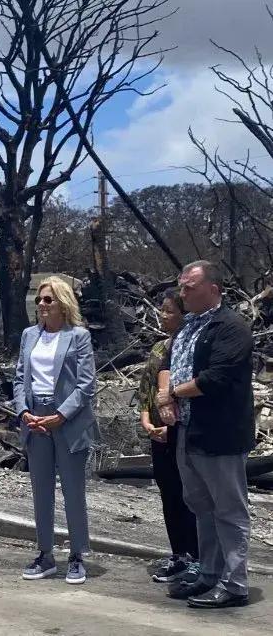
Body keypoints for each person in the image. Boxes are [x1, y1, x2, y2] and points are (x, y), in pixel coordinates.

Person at [158, 260, 254, 609]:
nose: (182, 292)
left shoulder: (230, 327)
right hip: (189, 432)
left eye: (189, 287)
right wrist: (165, 399)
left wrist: (173, 394)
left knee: (229, 509)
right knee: (202, 507)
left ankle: (235, 583)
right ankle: (209, 574)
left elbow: (216, 377)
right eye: (181, 286)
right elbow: (168, 364)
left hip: (219, 435)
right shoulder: (188, 327)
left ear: (213, 289)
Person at [14, 276, 97, 585]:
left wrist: (61, 415)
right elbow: (19, 377)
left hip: (67, 420)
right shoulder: (28, 336)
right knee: (41, 491)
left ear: (63, 303)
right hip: (35, 418)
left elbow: (86, 384)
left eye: (47, 300)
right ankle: (45, 554)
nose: (41, 306)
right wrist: (23, 411)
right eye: (38, 300)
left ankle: (76, 556)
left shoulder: (79, 336)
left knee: (73, 491)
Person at [137, 289, 197, 583]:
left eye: (169, 311)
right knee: (168, 494)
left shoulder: (190, 346)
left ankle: (195, 556)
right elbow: (148, 389)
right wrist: (147, 420)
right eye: (162, 310)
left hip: (180, 430)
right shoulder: (159, 348)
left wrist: (169, 425)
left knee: (189, 495)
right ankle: (178, 554)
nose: (162, 315)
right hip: (157, 433)